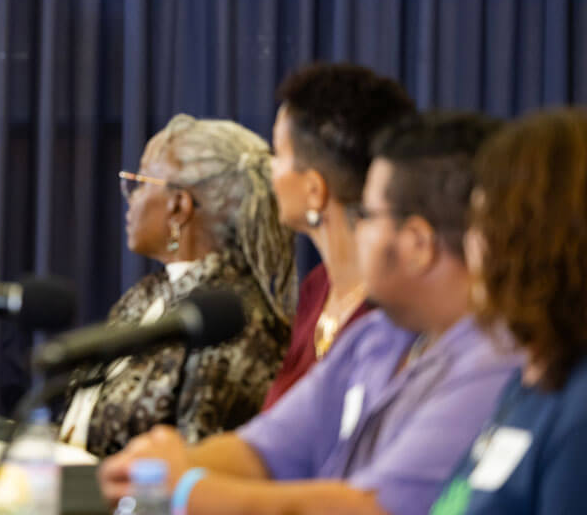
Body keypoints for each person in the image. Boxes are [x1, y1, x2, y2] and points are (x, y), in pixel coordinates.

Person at [98, 111, 522, 515]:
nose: (358, 232)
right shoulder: (376, 335)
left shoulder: (494, 361)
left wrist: (187, 487)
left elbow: (373, 508)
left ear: (417, 244)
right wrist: (161, 467)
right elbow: (265, 448)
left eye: (368, 216)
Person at [56, 114, 296, 457]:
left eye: (140, 183)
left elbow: (197, 467)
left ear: (178, 206)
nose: (131, 199)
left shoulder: (237, 320)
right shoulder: (146, 294)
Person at [429, 109, 587, 514]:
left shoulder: (578, 416)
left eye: (483, 222)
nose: (471, 245)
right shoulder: (530, 380)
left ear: (537, 239)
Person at [260, 63, 416, 409]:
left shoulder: (395, 314)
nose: (269, 169)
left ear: (315, 189)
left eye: (277, 154)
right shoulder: (317, 289)